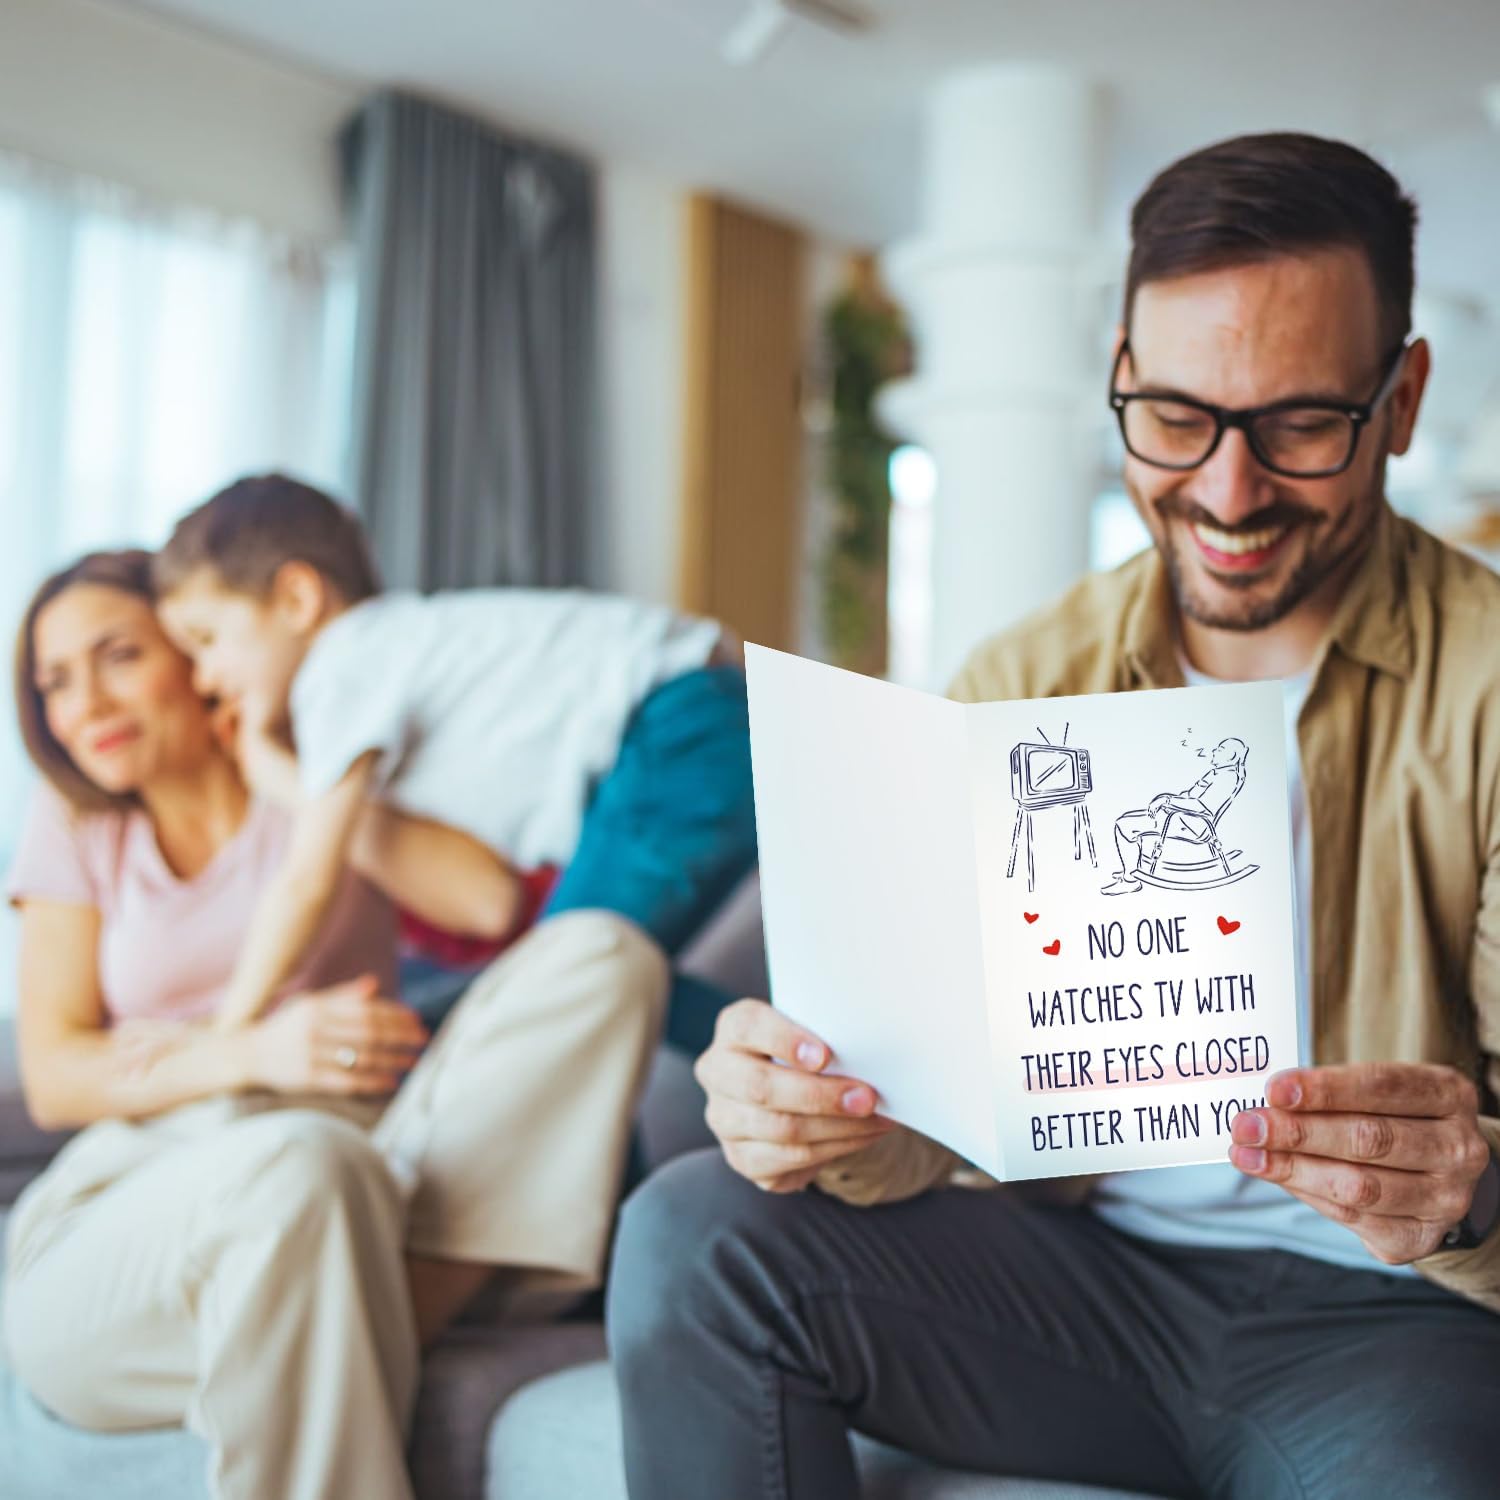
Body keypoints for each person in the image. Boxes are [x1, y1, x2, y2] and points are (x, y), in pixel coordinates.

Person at [607, 133, 1500, 1500]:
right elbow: (933, 1115)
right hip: (1077, 1283)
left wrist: (1471, 1189)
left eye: (1303, 424)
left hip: (1394, 1320)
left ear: (1404, 397)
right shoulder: (1023, 679)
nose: (1228, 492)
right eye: (1177, 417)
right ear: (1121, 375)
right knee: (692, 1231)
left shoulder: (1487, 683)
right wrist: (816, 1111)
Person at [2, 550, 666, 1500]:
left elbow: (484, 901)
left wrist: (287, 777)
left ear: (197, 650)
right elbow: (57, 1075)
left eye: (119, 656)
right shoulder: (75, 822)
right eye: (55, 682)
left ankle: (350, 1296)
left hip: (381, 1172)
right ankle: (352, 1298)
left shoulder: (322, 767)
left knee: (603, 955)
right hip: (148, 1193)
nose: (85, 705)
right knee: (301, 1163)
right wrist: (254, 1051)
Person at [151, 476, 756, 1054]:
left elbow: (306, 880)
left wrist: (230, 1028)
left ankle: (798, 1065)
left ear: (297, 600)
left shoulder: (340, 667)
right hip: (699, 723)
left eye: (206, 640)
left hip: (675, 734)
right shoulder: (396, 649)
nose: (205, 679)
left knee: (567, 974)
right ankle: (785, 1056)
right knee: (598, 980)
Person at [1100, 735, 1247, 894]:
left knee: (1124, 825)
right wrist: (1167, 799)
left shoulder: (1226, 777)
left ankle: (1130, 880)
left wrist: (1167, 800)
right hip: (1183, 818)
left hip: (1191, 824)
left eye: (1221, 749)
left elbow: (1201, 805)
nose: (1214, 751)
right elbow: (1190, 796)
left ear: (1231, 756)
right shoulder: (1216, 773)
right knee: (1128, 817)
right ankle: (1131, 869)